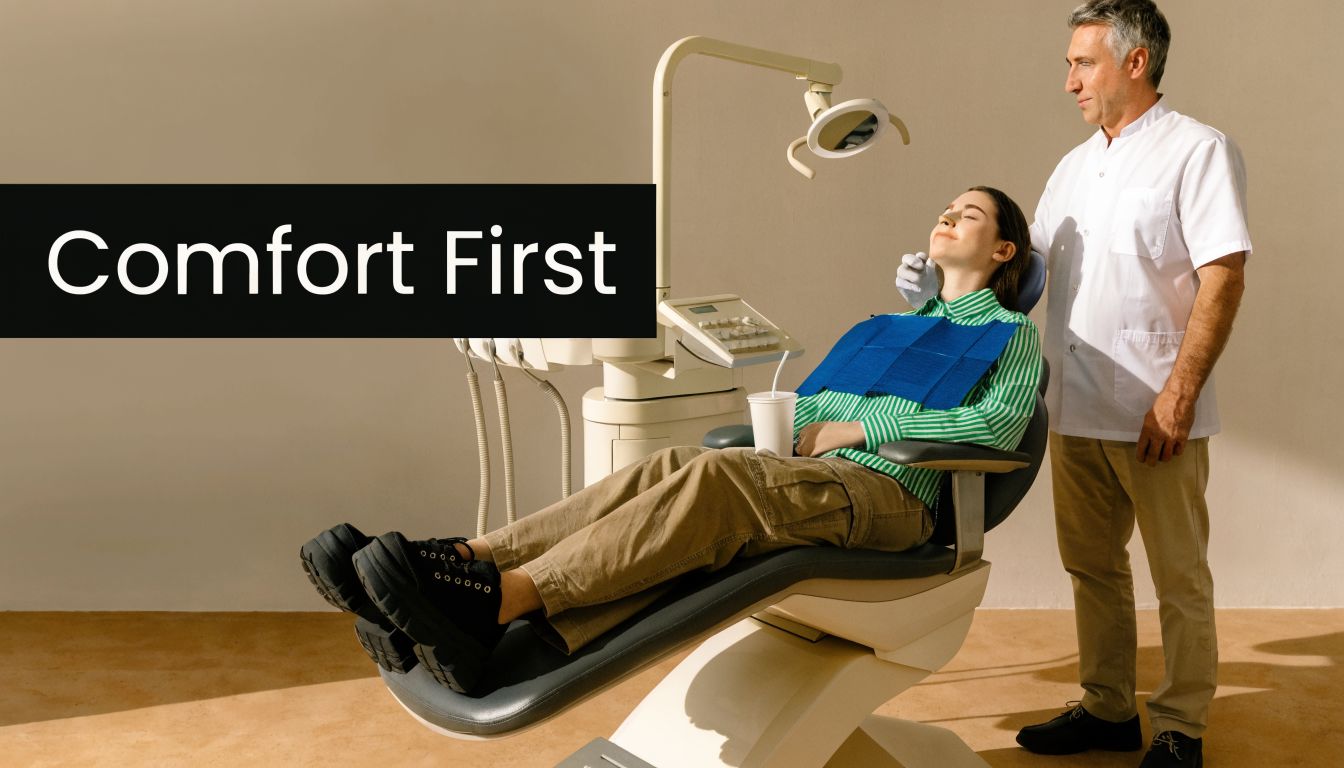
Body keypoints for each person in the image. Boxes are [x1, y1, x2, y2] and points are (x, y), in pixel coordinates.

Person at [303, 186, 1043, 696]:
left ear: (1005, 250)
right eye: (945, 208)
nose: (948, 215)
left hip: (890, 499)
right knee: (673, 463)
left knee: (717, 484)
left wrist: (863, 427)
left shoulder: (1011, 336)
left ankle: (497, 602)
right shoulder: (886, 325)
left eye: (968, 213)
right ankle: (459, 566)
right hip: (814, 481)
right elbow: (804, 410)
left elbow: (999, 427)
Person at [897, 3, 1249, 766]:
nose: (1068, 82)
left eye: (1081, 63)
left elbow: (1223, 274)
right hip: (1073, 408)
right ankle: (1108, 707)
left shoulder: (1198, 151)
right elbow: (1020, 283)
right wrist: (937, 284)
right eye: (1069, 65)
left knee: (1179, 577)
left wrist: (1180, 392)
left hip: (1159, 411)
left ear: (1134, 62)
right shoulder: (1071, 168)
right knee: (1092, 567)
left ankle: (1182, 725)